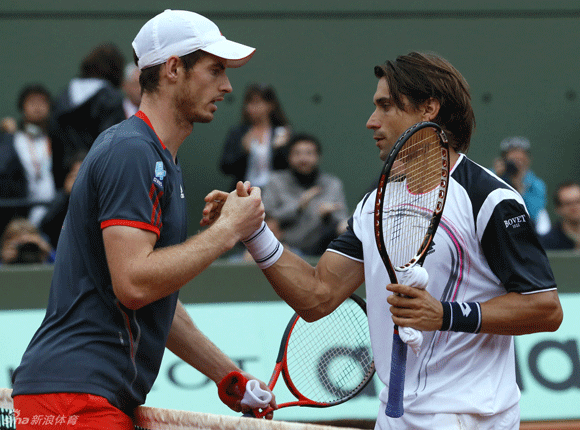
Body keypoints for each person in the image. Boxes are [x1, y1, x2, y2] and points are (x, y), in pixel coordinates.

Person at [202, 52, 563, 430]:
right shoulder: (375, 203)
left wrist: (445, 314)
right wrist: (254, 231)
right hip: (395, 416)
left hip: (470, 416)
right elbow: (317, 294)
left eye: (386, 106)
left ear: (429, 108)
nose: (371, 122)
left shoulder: (490, 199)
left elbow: (545, 307)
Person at [11, 9, 275, 428]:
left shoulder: (157, 158)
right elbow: (134, 282)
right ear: (173, 69)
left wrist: (231, 378)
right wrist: (228, 231)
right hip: (75, 401)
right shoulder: (133, 152)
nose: (227, 86)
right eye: (215, 70)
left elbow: (154, 296)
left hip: (83, 396)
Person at [49, 42, 127, 189]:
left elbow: (55, 142)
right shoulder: (111, 98)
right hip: (100, 181)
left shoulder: (63, 97)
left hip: (67, 182)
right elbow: (112, 143)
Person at [262, 133, 349, 256]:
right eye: (297, 153)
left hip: (323, 251)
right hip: (283, 249)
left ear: (319, 157)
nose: (303, 159)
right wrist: (298, 207)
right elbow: (267, 217)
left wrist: (328, 217)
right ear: (289, 157)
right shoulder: (276, 181)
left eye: (309, 153)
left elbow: (342, 223)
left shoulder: (332, 184)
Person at [219, 83, 291, 190]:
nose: (250, 107)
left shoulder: (282, 132)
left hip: (275, 195)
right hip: (244, 192)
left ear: (270, 105)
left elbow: (291, 169)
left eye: (256, 102)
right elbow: (225, 167)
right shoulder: (238, 132)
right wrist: (243, 151)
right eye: (248, 103)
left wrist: (280, 149)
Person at [493, 136, 550, 235]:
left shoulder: (536, 184)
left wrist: (518, 186)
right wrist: (496, 178)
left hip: (524, 231)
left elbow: (532, 215)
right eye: (513, 161)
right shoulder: (490, 176)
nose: (516, 164)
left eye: (520, 160)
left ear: (528, 160)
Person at [540, 181, 580, 250]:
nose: (575, 207)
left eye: (578, 201)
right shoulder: (547, 243)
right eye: (568, 203)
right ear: (558, 209)